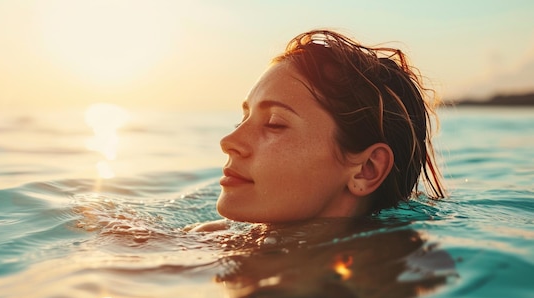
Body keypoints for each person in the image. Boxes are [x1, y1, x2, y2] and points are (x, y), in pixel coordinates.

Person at [189, 29, 445, 231]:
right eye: (242, 120)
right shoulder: (203, 238)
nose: (229, 141)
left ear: (367, 170)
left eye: (274, 123)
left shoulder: (380, 280)